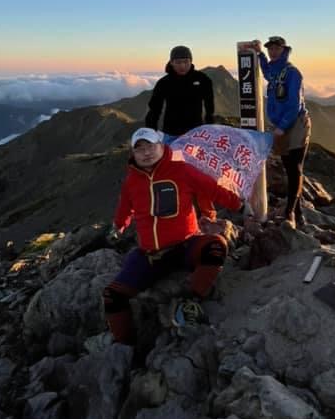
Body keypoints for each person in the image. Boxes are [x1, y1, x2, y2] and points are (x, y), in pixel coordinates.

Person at [103, 127, 246, 344]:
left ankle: (192, 301)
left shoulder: (182, 170)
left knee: (216, 246)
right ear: (133, 154)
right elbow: (125, 209)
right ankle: (125, 345)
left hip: (185, 246)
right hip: (150, 255)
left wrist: (240, 206)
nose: (146, 152)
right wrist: (119, 227)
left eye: (150, 146)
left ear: (161, 146)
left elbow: (213, 188)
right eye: (139, 149)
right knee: (112, 295)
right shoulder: (131, 182)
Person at [145, 45, 216, 220]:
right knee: (171, 176)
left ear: (191, 61)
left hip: (196, 136)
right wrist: (150, 134)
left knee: (200, 175)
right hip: (171, 136)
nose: (182, 65)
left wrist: (210, 130)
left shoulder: (202, 79)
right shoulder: (164, 83)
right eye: (178, 62)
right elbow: (154, 109)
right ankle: (175, 215)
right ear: (171, 62)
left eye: (186, 61)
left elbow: (210, 108)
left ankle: (208, 215)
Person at [253, 36, 311, 229]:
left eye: (276, 48)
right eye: (270, 49)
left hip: (295, 124)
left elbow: (295, 104)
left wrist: (282, 126)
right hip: (281, 126)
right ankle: (297, 211)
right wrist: (260, 55)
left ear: (284, 49)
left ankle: (290, 213)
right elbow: (267, 72)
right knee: (288, 167)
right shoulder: (275, 70)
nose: (273, 52)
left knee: (294, 168)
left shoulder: (292, 73)